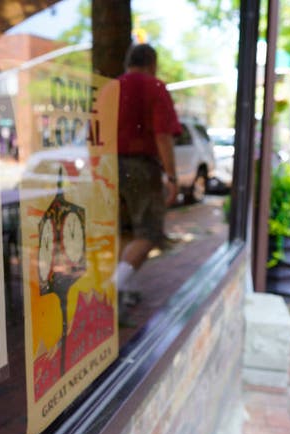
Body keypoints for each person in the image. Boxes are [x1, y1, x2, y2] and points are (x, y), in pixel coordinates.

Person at [111, 43, 181, 319]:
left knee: (125, 231)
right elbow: (163, 136)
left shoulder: (109, 89)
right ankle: (113, 290)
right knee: (149, 233)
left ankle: (122, 291)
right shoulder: (154, 87)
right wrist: (172, 176)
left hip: (108, 166)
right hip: (140, 166)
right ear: (151, 62)